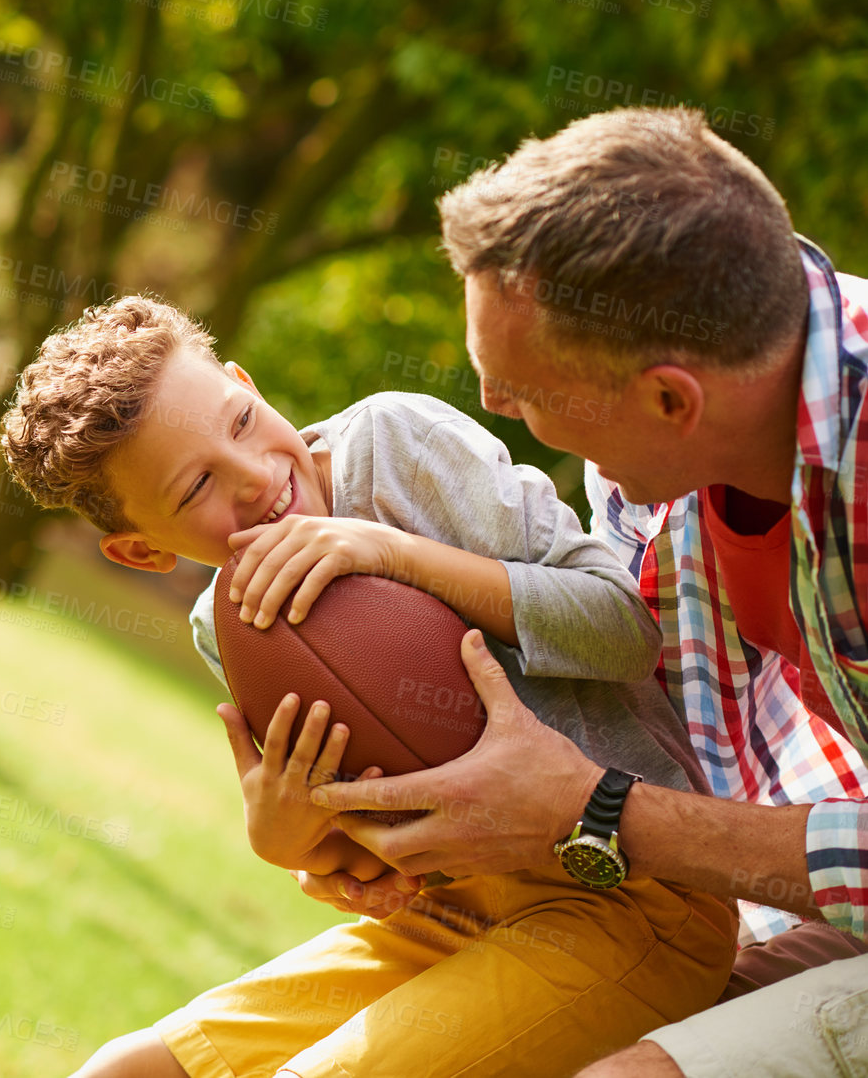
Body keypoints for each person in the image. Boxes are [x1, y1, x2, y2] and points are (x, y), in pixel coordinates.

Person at [0, 297, 734, 1078]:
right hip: (456, 913)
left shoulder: (395, 448)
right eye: (193, 489)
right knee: (125, 1070)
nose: (253, 478)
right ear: (142, 551)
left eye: (241, 420)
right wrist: (298, 842)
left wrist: (394, 554)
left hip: (629, 893)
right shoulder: (232, 625)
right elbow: (381, 852)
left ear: (243, 380)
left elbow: (625, 629)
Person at [309, 106, 868, 1076]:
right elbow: (619, 737)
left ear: (668, 398)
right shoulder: (650, 465)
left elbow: (601, 803)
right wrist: (431, 811)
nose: (493, 407)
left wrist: (594, 812)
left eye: (523, 389)